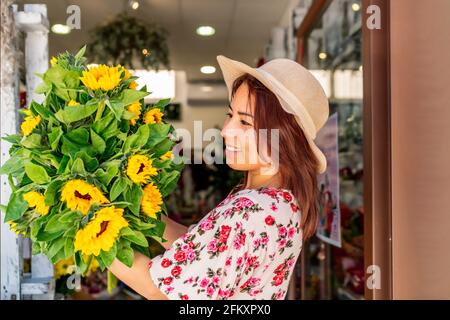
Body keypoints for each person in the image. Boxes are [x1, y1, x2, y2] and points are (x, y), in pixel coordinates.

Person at [108, 55, 330, 300]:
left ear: (284, 138)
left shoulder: (251, 211)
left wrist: (91, 228)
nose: (226, 131)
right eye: (230, 114)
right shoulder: (279, 202)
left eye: (245, 121)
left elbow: (160, 291)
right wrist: (144, 214)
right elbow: (204, 253)